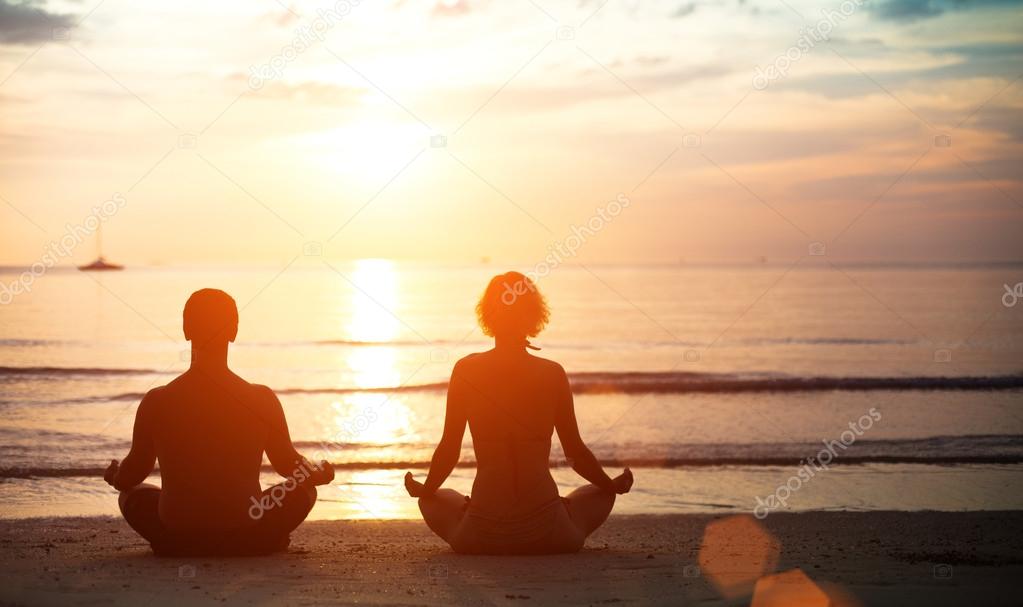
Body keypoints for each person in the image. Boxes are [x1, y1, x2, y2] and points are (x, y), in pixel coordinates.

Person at [404, 272, 633, 554]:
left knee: (437, 498)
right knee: (601, 493)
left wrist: (424, 490)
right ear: (534, 315)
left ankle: (471, 509)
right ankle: (560, 508)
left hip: (481, 535)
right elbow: (576, 453)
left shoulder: (466, 370)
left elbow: (449, 449)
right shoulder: (552, 373)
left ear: (488, 314)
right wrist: (610, 484)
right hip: (551, 533)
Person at [104, 288, 334, 556]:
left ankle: (178, 543)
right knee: (303, 491)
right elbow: (288, 465)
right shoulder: (260, 398)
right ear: (233, 331)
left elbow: (132, 474)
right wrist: (318, 472)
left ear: (186, 329)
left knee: (131, 495)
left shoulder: (158, 400)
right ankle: (257, 542)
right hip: (245, 526)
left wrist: (116, 476)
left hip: (179, 528)